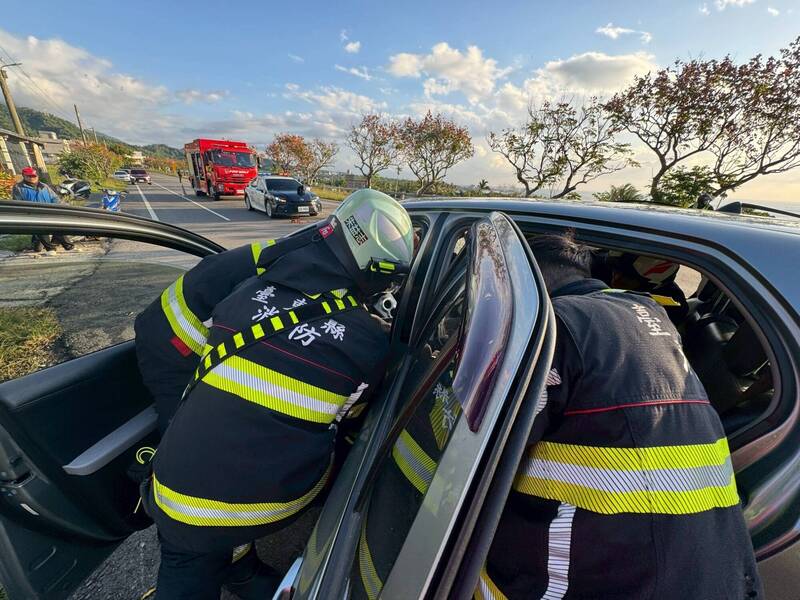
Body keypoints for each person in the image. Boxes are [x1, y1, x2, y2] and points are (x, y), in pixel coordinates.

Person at [134, 189, 414, 600]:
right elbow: (354, 420)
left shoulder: (247, 290)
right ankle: (233, 563)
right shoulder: (365, 341)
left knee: (191, 540)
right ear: (371, 269)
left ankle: (238, 567)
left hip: (172, 477)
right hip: (257, 505)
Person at [479, 232, 761, 600]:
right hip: (716, 579)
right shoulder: (651, 316)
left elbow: (478, 439)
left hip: (613, 581)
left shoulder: (554, 328)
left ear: (522, 280)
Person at [603, 250, 689, 323]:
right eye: (615, 271)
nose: (615, 280)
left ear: (649, 285)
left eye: (628, 278)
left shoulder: (671, 309)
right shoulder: (599, 267)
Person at [11, 167, 74, 252]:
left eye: (34, 176)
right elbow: (18, 203)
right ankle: (50, 249)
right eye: (29, 176)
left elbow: (55, 199)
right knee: (40, 235)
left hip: (48, 213)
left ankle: (68, 247)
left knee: (57, 228)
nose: (32, 178)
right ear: (24, 176)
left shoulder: (44, 186)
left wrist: (64, 207)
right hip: (33, 215)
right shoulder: (18, 188)